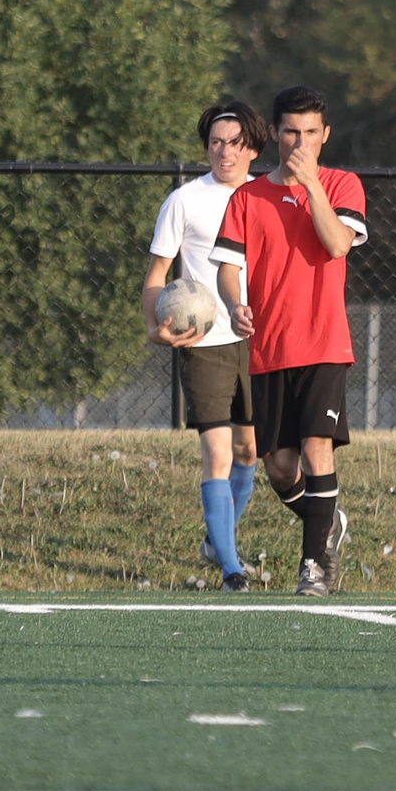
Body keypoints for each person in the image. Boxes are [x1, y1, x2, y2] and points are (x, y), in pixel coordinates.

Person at [211, 85, 367, 598]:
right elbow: (229, 269)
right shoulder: (247, 197)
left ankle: (314, 566)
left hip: (324, 344)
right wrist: (235, 304)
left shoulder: (343, 184)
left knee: (317, 447)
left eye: (310, 133)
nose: (300, 141)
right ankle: (325, 524)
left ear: (325, 136)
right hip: (269, 350)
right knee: (279, 468)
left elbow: (338, 244)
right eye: (291, 132)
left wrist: (312, 188)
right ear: (275, 134)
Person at [145, 100, 265, 591]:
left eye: (235, 143)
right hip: (204, 343)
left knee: (249, 450)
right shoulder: (185, 200)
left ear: (253, 148)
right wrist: (156, 326)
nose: (224, 152)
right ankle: (233, 570)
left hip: (259, 341)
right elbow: (156, 274)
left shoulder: (271, 197)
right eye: (216, 143)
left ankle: (220, 540)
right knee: (216, 453)